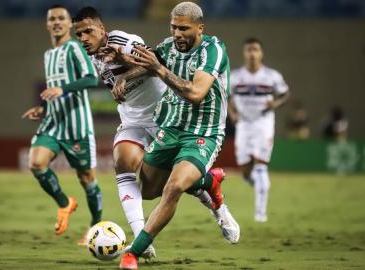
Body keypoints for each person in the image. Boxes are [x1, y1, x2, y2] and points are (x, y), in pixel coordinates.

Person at [72, 6, 235, 258]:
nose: (83, 38)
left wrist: (124, 64)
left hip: (165, 116)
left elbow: (152, 63)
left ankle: (209, 188)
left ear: (101, 29)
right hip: (133, 120)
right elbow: (148, 64)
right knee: (126, 166)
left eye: (87, 32)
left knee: (175, 183)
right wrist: (124, 76)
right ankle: (142, 239)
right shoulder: (94, 55)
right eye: (79, 34)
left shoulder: (125, 41)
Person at [117, 2, 240, 269]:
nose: (177, 33)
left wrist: (159, 69)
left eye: (184, 28)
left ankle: (133, 253)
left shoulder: (213, 51)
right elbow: (151, 62)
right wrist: (125, 76)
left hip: (203, 134)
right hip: (171, 127)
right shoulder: (169, 45)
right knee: (149, 191)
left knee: (173, 188)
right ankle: (208, 182)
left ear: (200, 27)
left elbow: (196, 94)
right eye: (173, 27)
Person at [21, 5, 102, 238]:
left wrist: (62, 88)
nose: (56, 22)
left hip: (77, 125)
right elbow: (56, 91)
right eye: (52, 19)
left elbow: (90, 78)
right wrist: (43, 108)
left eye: (61, 18)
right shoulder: (49, 54)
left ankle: (95, 228)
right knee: (36, 163)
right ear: (47, 24)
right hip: (53, 122)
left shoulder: (75, 48)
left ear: (69, 24)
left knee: (86, 178)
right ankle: (65, 202)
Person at [228, 37, 290, 222]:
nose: (252, 53)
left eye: (255, 49)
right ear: (244, 53)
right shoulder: (236, 76)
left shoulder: (272, 76)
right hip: (244, 125)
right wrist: (232, 114)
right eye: (249, 50)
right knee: (246, 171)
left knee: (261, 166)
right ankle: (260, 185)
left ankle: (260, 213)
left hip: (264, 124)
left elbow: (285, 93)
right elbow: (228, 97)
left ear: (261, 53)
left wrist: (276, 103)